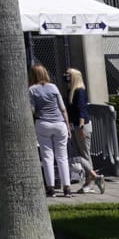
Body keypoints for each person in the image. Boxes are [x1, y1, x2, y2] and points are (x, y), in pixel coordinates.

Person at [28, 64, 70, 197]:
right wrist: (67, 126)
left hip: (43, 123)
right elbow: (62, 108)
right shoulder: (53, 87)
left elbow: (32, 110)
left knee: (47, 157)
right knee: (62, 156)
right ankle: (67, 187)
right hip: (59, 123)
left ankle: (51, 188)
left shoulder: (32, 90)